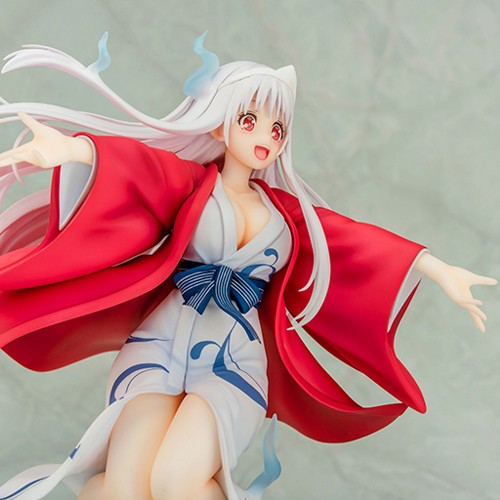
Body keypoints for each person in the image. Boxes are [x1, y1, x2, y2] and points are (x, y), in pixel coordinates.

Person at [0, 33, 495, 500]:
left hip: (233, 360)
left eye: (276, 128)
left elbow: (357, 242)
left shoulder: (287, 215)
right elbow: (135, 167)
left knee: (175, 481)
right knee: (126, 484)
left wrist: (437, 268)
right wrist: (71, 149)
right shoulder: (192, 184)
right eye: (250, 120)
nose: (265, 136)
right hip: (157, 347)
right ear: (221, 124)